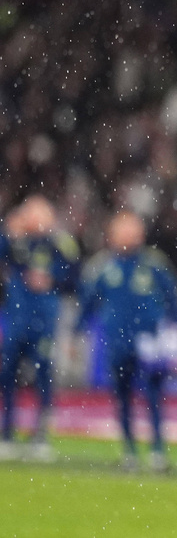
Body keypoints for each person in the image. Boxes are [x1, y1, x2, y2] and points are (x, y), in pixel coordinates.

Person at [76, 211, 177, 472]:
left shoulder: (154, 263)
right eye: (123, 229)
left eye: (132, 229)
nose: (128, 235)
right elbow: (88, 302)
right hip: (118, 342)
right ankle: (129, 450)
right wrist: (77, 331)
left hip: (150, 343)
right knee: (122, 396)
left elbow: (172, 297)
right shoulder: (103, 266)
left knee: (153, 396)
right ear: (112, 234)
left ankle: (157, 450)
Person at [0, 196, 80, 461]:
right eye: (30, 213)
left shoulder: (59, 244)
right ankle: (7, 433)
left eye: (40, 213)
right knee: (7, 375)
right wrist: (8, 232)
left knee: (43, 377)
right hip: (17, 320)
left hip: (44, 322)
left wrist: (51, 279)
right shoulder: (15, 242)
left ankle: (41, 436)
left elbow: (74, 276)